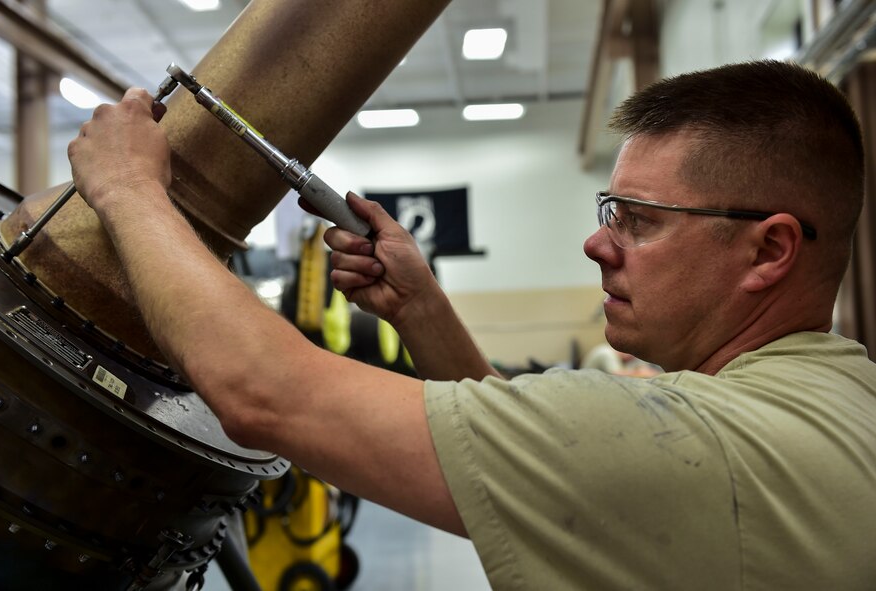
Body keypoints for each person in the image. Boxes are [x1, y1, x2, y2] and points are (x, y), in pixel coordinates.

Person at [68, 60, 876, 590]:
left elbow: (265, 394)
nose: (598, 241)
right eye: (609, 211)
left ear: (768, 248)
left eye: (638, 219)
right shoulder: (834, 398)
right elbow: (547, 462)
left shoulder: (707, 447)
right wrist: (421, 312)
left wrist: (130, 190)